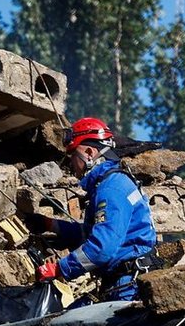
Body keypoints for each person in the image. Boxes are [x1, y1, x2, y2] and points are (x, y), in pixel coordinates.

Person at [31, 117, 158, 302]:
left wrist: (58, 269)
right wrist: (50, 225)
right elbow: (91, 234)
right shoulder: (112, 183)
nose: (70, 164)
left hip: (127, 287)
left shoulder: (110, 189)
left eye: (73, 155)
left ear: (89, 153)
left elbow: (101, 248)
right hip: (124, 280)